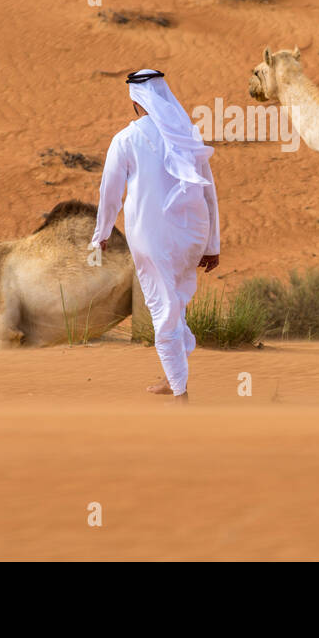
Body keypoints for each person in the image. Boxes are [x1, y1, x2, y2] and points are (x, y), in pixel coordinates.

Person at [90, 70, 220, 402]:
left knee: (162, 310)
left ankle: (180, 394)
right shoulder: (188, 133)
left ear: (135, 100)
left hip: (151, 238)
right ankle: (173, 374)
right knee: (173, 303)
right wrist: (212, 244)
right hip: (192, 233)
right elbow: (209, 193)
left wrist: (101, 234)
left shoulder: (126, 139)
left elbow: (110, 194)